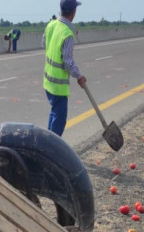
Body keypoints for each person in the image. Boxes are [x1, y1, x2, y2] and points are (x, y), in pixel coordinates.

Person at [42, 0, 87, 136]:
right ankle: (51, 151)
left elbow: (43, 43)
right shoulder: (67, 33)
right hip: (58, 86)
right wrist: (79, 76)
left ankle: (47, 144)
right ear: (73, 12)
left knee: (54, 113)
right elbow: (68, 62)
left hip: (48, 82)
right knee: (59, 120)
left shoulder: (51, 25)